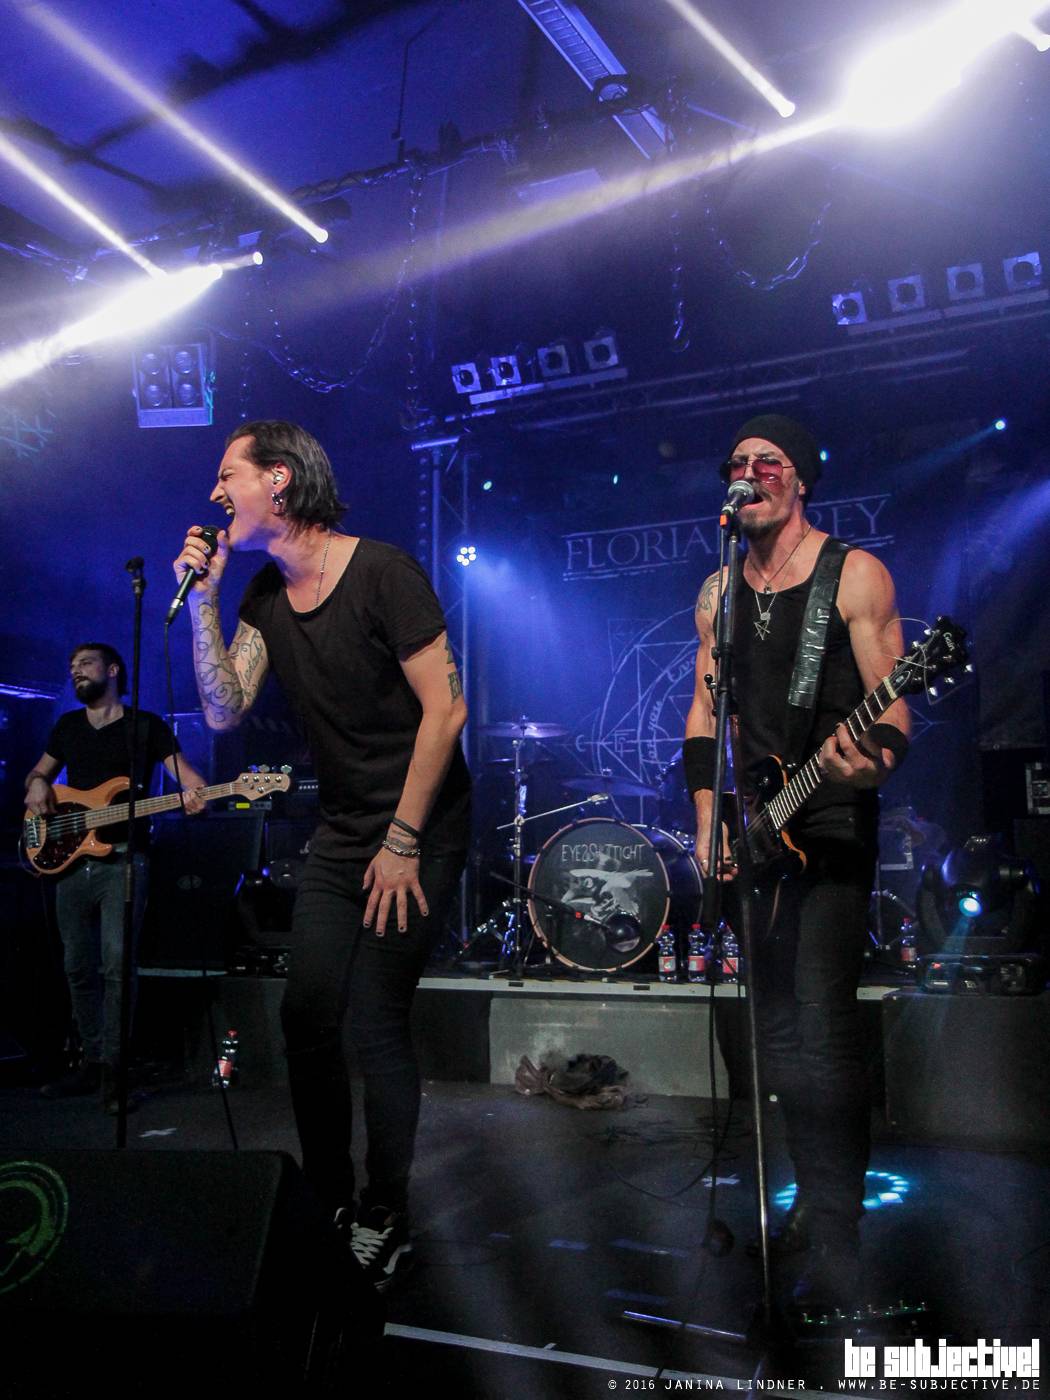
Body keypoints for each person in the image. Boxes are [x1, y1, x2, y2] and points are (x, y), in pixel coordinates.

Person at [173, 420, 470, 1291]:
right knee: (306, 1015)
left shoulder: (382, 574)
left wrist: (403, 842)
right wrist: (204, 600)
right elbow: (224, 710)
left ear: (279, 479)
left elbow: (447, 710)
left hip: (422, 821)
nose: (215, 492)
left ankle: (386, 1211)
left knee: (374, 1016)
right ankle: (332, 1202)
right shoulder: (266, 595)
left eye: (228, 474)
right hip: (343, 829)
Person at [683, 414, 911, 1311]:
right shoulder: (718, 591)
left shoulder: (853, 574)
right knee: (769, 1037)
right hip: (756, 828)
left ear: (802, 478)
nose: (750, 474)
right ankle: (809, 1198)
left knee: (822, 1029)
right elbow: (707, 713)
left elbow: (894, 706)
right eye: (738, 464)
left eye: (769, 462)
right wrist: (709, 818)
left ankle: (840, 1231)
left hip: (834, 824)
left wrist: (872, 760)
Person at [24, 642, 207, 1113]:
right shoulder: (67, 727)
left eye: (85, 663)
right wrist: (39, 783)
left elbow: (189, 779)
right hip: (70, 861)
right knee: (77, 966)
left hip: (124, 859)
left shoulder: (145, 726)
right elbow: (37, 774)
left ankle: (114, 1070)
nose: (76, 671)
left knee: (116, 966)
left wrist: (196, 793)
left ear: (112, 670)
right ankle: (90, 1060)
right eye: (72, 666)